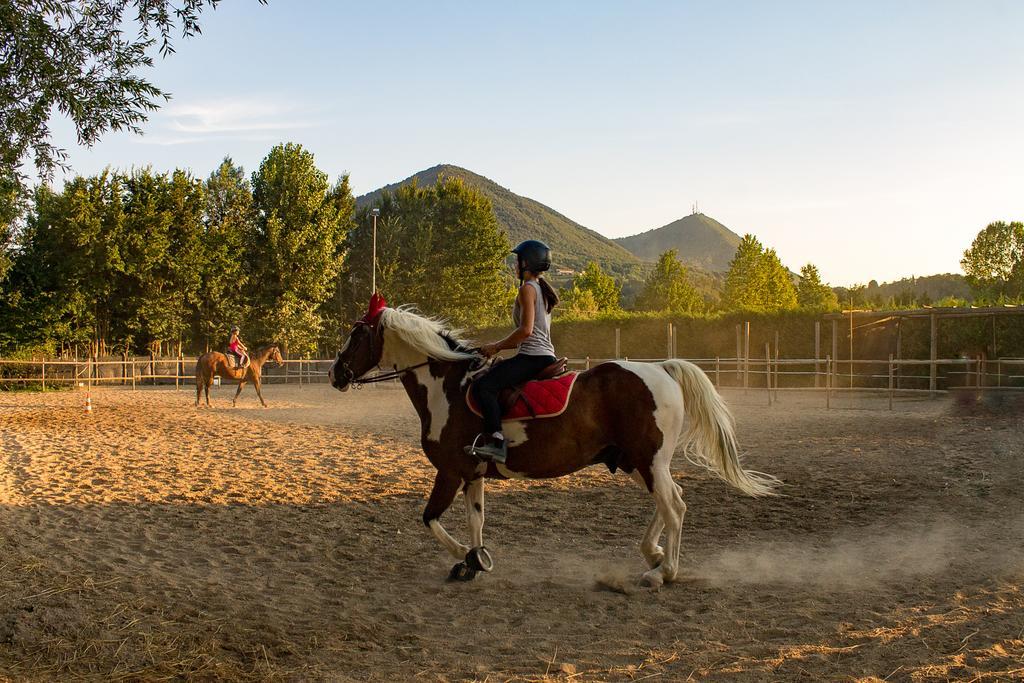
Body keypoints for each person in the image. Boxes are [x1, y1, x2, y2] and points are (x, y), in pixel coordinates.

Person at [466, 240, 559, 463]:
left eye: (517, 261)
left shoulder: (527, 289)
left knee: (484, 386)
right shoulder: (542, 288)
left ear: (526, 263)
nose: (514, 265)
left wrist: (495, 346)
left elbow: (525, 331)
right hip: (544, 354)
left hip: (533, 356)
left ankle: (497, 443)